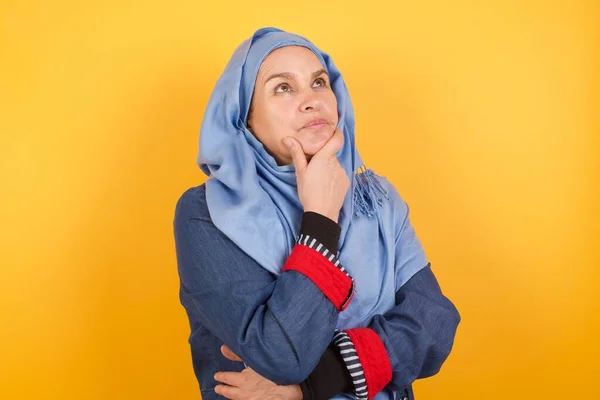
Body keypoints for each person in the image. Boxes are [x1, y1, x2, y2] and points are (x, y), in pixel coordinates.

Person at [173, 27, 460, 400]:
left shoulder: (375, 198)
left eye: (319, 82)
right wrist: (321, 220)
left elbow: (435, 322)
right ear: (244, 115)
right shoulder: (207, 212)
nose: (311, 101)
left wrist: (314, 383)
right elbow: (281, 354)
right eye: (283, 87)